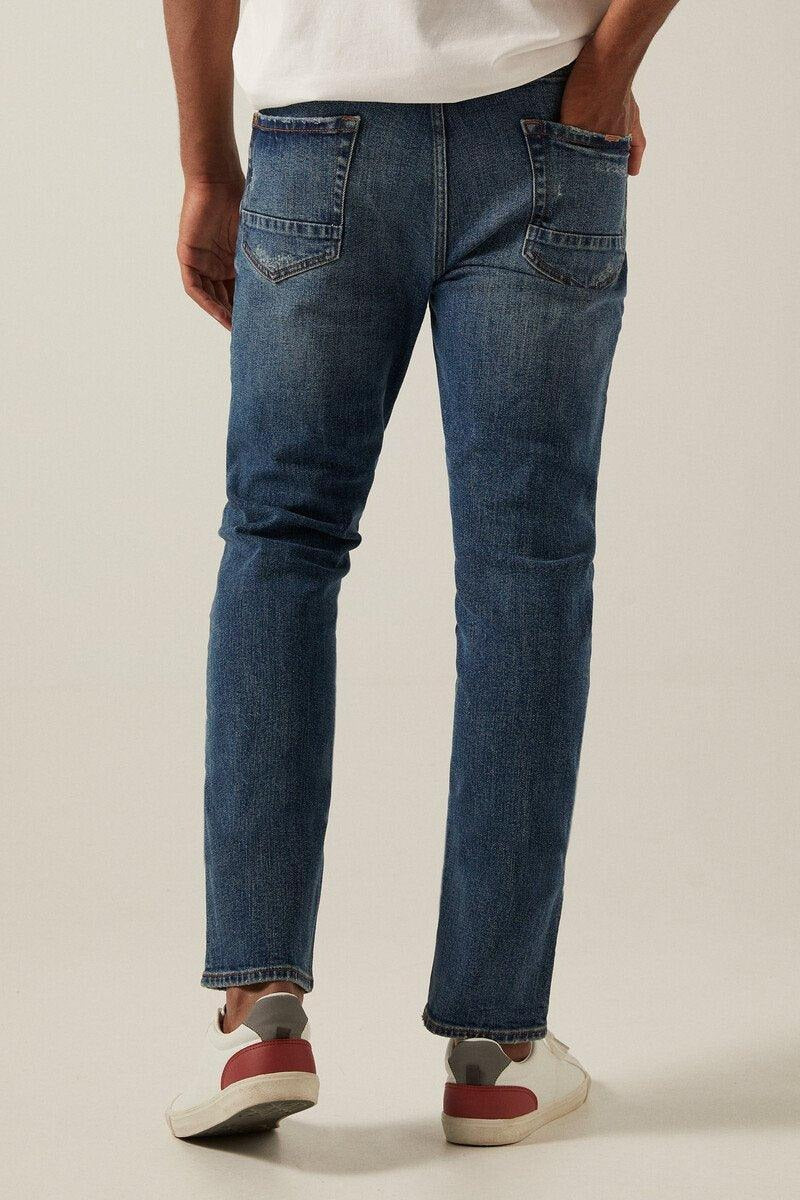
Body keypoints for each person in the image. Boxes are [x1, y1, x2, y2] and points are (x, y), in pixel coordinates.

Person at [163, 0, 678, 1145]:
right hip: (543, 125)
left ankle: (260, 1017)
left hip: (317, 134)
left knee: (281, 545)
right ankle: (497, 1055)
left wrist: (207, 166)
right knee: (525, 571)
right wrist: (603, 71)